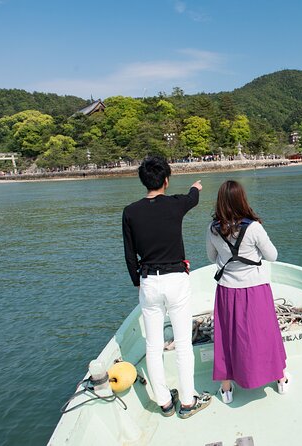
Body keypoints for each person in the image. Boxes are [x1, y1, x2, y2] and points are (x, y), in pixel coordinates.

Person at [122, 156, 212, 418]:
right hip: (176, 281)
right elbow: (192, 198)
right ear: (166, 180)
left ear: (143, 181)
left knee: (153, 345)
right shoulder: (175, 204)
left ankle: (164, 402)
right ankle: (187, 401)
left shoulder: (130, 211)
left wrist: (138, 281)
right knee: (183, 343)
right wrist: (196, 187)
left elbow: (129, 255)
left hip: (149, 280)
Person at [206, 180, 288, 404]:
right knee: (265, 332)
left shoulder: (213, 228)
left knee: (227, 337)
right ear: (242, 199)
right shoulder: (254, 227)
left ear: (220, 201)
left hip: (227, 290)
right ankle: (280, 379)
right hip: (255, 288)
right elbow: (272, 256)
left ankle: (226, 388)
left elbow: (212, 257)